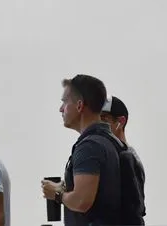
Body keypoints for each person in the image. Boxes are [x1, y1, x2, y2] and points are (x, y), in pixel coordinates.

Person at [41, 74, 122, 225]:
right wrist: (66, 188)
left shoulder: (89, 147)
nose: (60, 109)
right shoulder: (110, 141)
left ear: (79, 106)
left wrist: (57, 194)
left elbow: (81, 201)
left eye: (64, 102)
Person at [101, 94, 146, 223]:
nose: (98, 124)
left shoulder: (126, 156)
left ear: (120, 121)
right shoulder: (113, 154)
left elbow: (135, 210)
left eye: (104, 119)